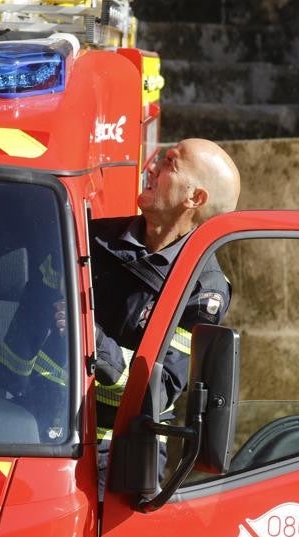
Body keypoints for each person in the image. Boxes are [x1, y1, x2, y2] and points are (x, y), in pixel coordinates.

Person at [86, 138, 241, 475]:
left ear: (194, 198)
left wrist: (86, 336)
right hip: (37, 435)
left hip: (120, 460)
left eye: (170, 163)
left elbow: (158, 390)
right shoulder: (89, 239)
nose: (151, 167)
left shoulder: (202, 291)